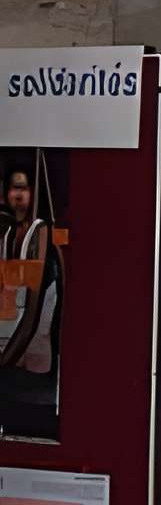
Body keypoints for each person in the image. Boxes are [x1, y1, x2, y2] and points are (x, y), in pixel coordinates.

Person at [0, 157, 63, 383]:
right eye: (13, 188)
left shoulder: (38, 234)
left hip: (30, 359)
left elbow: (31, 312)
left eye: (22, 188)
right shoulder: (7, 235)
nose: (17, 195)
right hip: (12, 350)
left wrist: (5, 359)